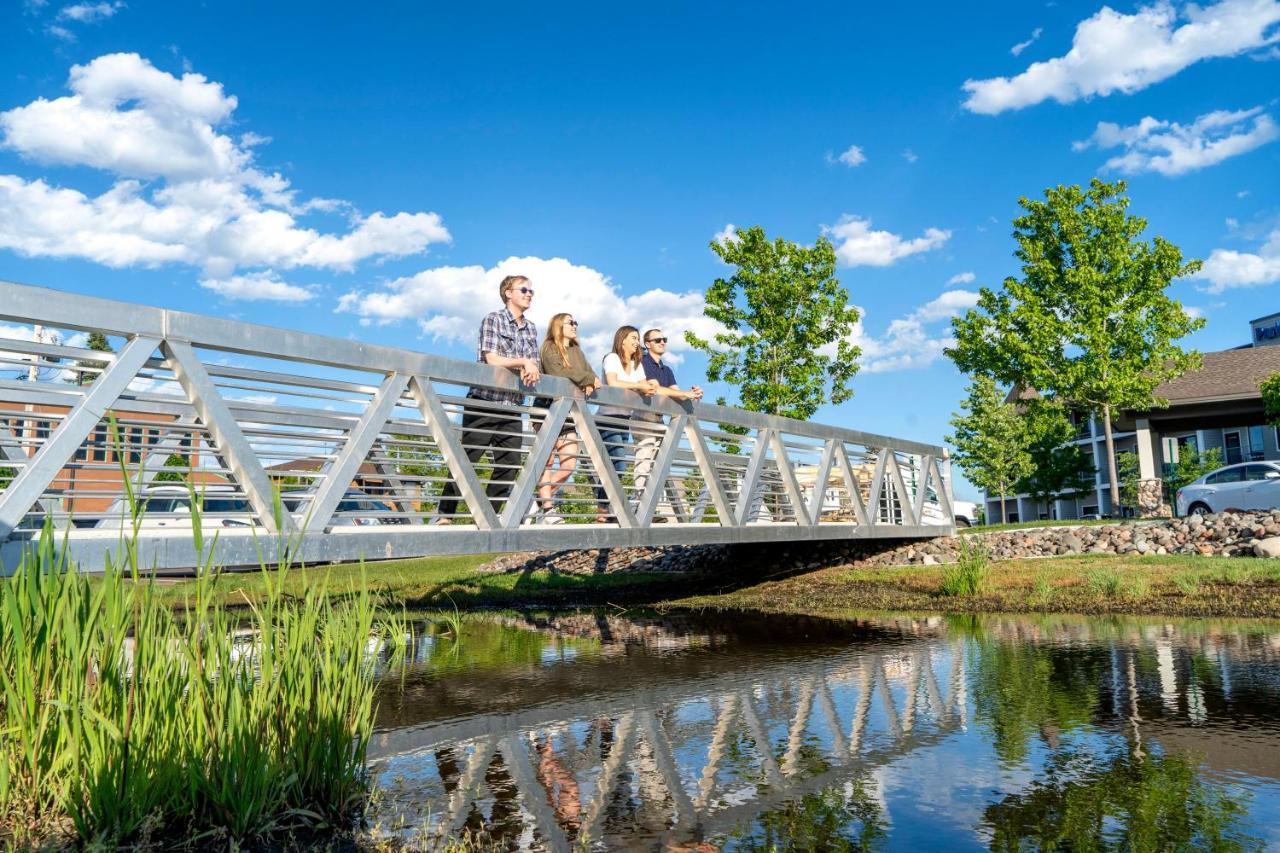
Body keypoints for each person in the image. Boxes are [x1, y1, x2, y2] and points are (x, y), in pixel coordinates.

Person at [434, 274, 540, 524]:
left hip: (512, 406)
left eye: (531, 291)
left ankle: (486, 516)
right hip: (484, 402)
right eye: (524, 289)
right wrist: (523, 362)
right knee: (468, 459)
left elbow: (532, 365)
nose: (529, 294)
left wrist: (527, 364)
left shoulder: (532, 328)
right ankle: (445, 514)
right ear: (508, 293)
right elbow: (491, 359)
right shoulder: (494, 319)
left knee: (510, 465)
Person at [533, 313, 600, 524]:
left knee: (569, 464)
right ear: (558, 325)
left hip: (569, 413)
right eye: (570, 322)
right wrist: (588, 380)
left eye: (576, 322)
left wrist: (589, 380)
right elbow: (559, 373)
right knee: (547, 460)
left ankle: (534, 500)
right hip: (547, 409)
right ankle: (547, 509)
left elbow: (592, 374)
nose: (575, 325)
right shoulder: (548, 348)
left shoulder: (576, 350)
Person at [635, 328, 703, 520]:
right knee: (644, 459)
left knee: (656, 462)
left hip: (658, 419)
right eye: (657, 340)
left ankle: (645, 506)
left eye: (664, 339)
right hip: (643, 416)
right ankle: (638, 504)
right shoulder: (643, 364)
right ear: (647, 344)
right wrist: (683, 394)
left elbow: (675, 392)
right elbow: (656, 390)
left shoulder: (667, 370)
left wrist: (692, 393)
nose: (662, 342)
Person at [594, 325, 658, 522]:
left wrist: (650, 385)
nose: (636, 341)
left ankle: (607, 509)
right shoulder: (612, 358)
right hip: (607, 417)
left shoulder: (636, 364)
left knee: (617, 464)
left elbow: (644, 387)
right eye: (632, 337)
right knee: (619, 463)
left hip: (624, 419)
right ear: (621, 340)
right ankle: (604, 510)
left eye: (637, 338)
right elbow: (613, 382)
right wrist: (639, 386)